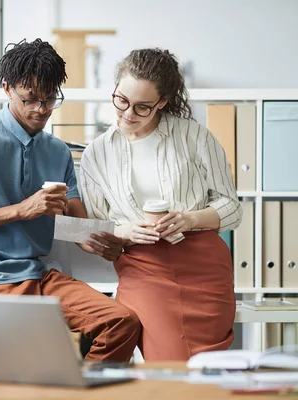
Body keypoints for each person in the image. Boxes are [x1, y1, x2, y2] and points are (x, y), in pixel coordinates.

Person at [0, 38, 141, 361]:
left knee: (121, 323)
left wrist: (99, 243)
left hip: (38, 276)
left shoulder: (57, 151)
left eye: (49, 99)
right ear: (7, 89)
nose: (41, 109)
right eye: (30, 99)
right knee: (33, 354)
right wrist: (21, 210)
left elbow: (77, 226)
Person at [78, 48, 242, 361]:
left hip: (204, 267)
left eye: (142, 107)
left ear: (162, 102)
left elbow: (232, 208)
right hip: (142, 268)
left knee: (207, 368)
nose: (128, 114)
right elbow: (98, 228)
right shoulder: (96, 154)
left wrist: (190, 219)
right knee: (169, 363)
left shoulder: (194, 137)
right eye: (121, 100)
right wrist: (125, 230)